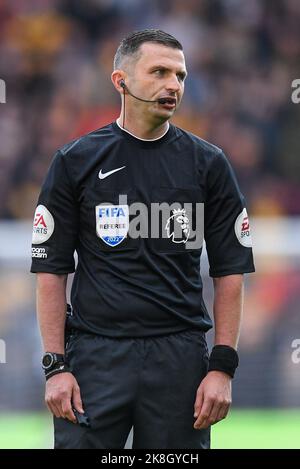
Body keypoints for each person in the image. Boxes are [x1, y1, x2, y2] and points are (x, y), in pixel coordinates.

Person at [31, 29, 255, 449]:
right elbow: (50, 270)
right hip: (96, 358)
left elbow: (231, 271)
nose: (173, 84)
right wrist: (55, 366)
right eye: (159, 72)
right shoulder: (75, 161)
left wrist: (222, 367)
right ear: (121, 81)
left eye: (181, 76)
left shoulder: (209, 164)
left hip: (180, 360)